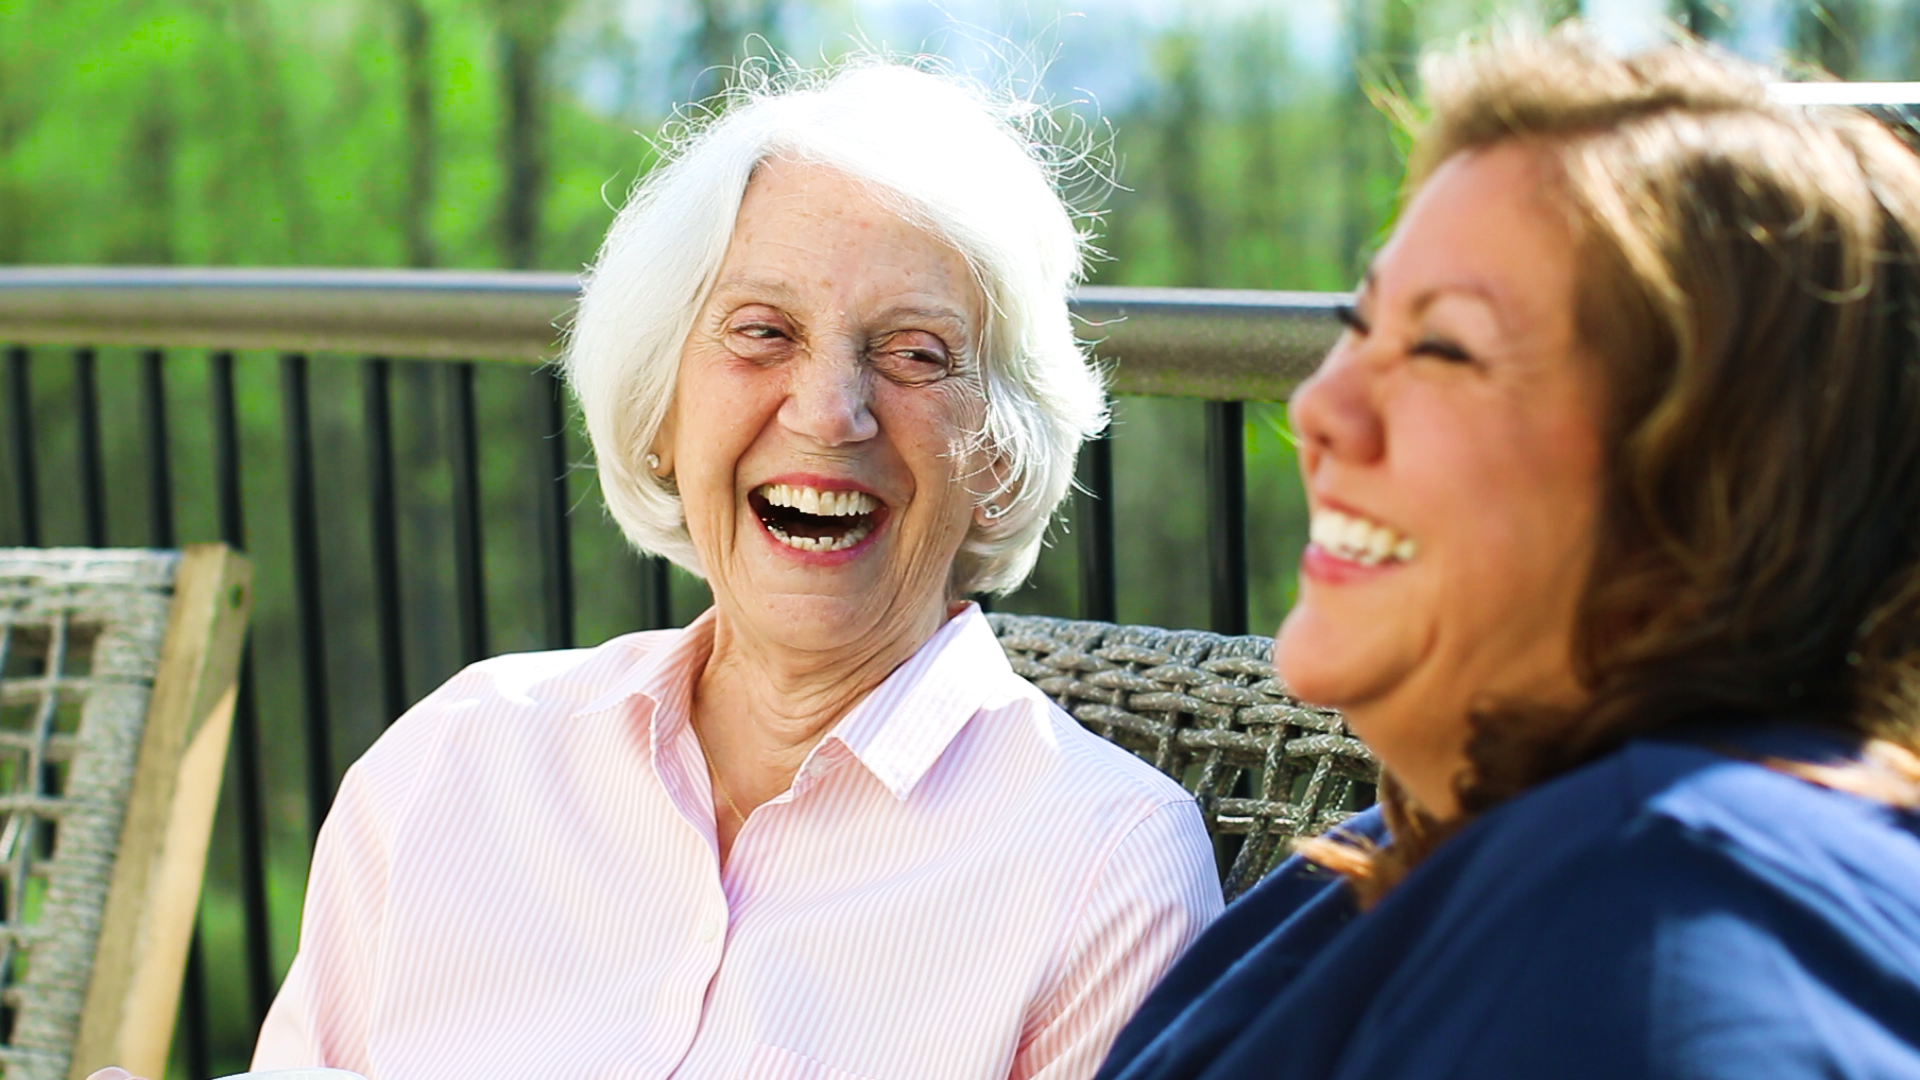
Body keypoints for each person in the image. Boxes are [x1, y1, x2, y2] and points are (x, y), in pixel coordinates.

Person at [252, 58, 1222, 1080]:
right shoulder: (457, 758)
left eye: (914, 354)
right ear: (662, 408)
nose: (828, 411)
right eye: (763, 334)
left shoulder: (1104, 868)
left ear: (999, 451)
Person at [1095, 28, 1920, 1080]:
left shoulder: (1663, 924)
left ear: (1719, 483)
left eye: (1443, 349)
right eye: (1362, 323)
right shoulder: (1391, 862)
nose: (1318, 407)